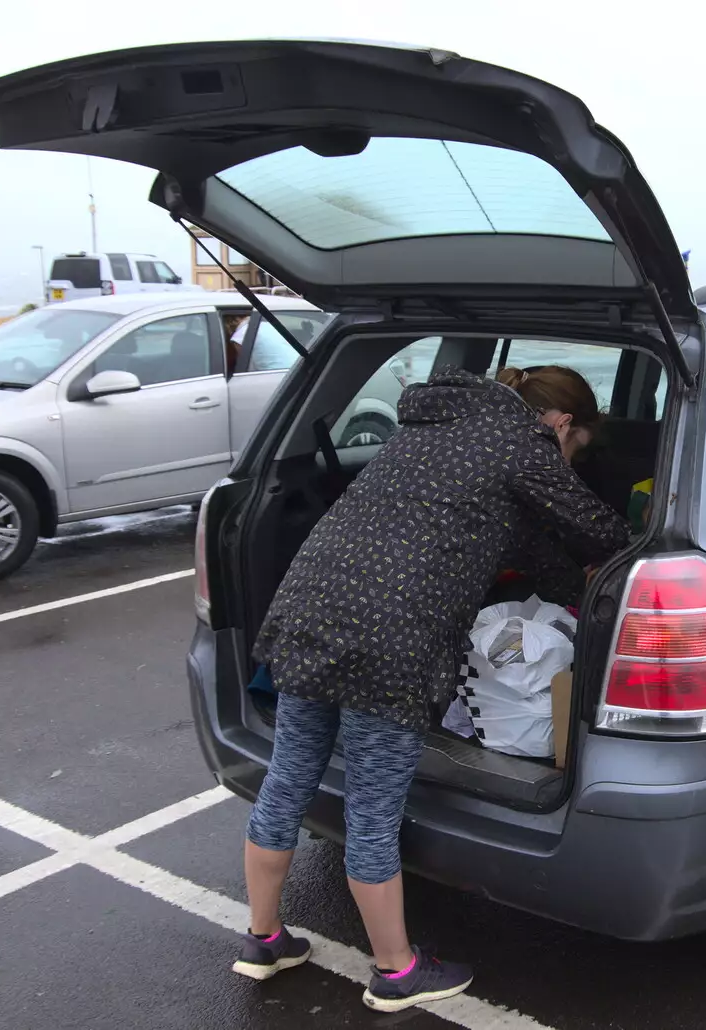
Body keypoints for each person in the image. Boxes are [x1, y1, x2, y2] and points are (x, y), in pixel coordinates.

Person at [235, 362, 628, 1012]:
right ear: (561, 423)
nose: (567, 458)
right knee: (372, 807)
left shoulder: (433, 429)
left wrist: (574, 592)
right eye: (574, 446)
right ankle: (395, 970)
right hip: (390, 638)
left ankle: (263, 938)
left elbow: (533, 549)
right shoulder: (519, 441)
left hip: (308, 608)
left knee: (290, 773)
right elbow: (599, 531)